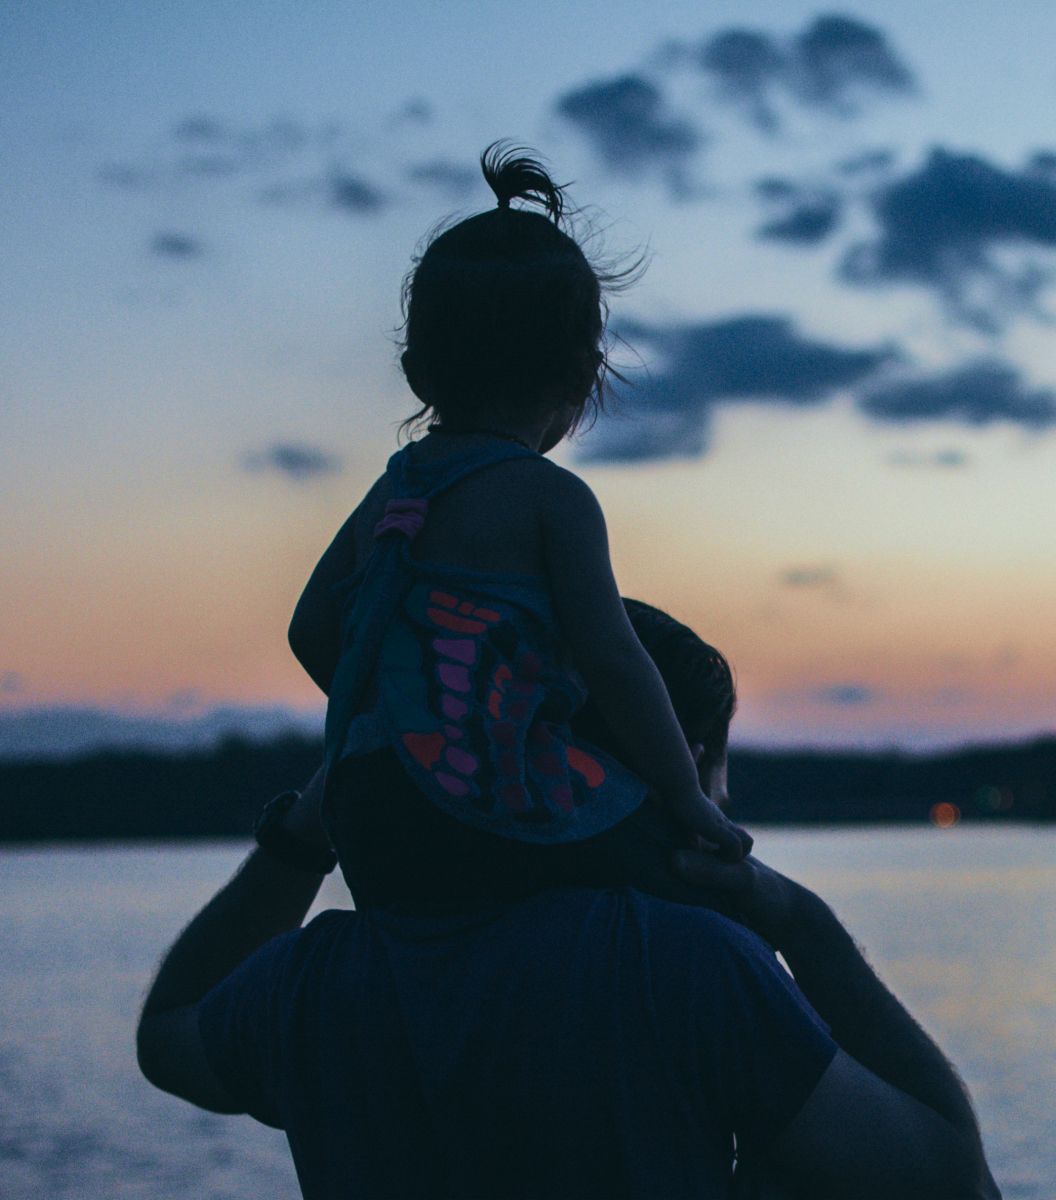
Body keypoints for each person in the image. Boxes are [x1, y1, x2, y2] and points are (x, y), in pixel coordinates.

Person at [137, 604, 1002, 1199]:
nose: (725, 809)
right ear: (674, 769)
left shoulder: (317, 981)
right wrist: (800, 922)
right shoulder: (685, 967)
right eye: (714, 775)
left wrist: (310, 826)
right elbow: (955, 1181)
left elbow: (168, 1034)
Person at [289, 142, 748, 920]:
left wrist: (409, 711)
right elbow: (615, 660)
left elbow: (310, 632)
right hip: (492, 804)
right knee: (697, 885)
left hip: (366, 812)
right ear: (583, 376)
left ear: (416, 372)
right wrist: (685, 794)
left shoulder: (394, 492)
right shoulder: (551, 499)